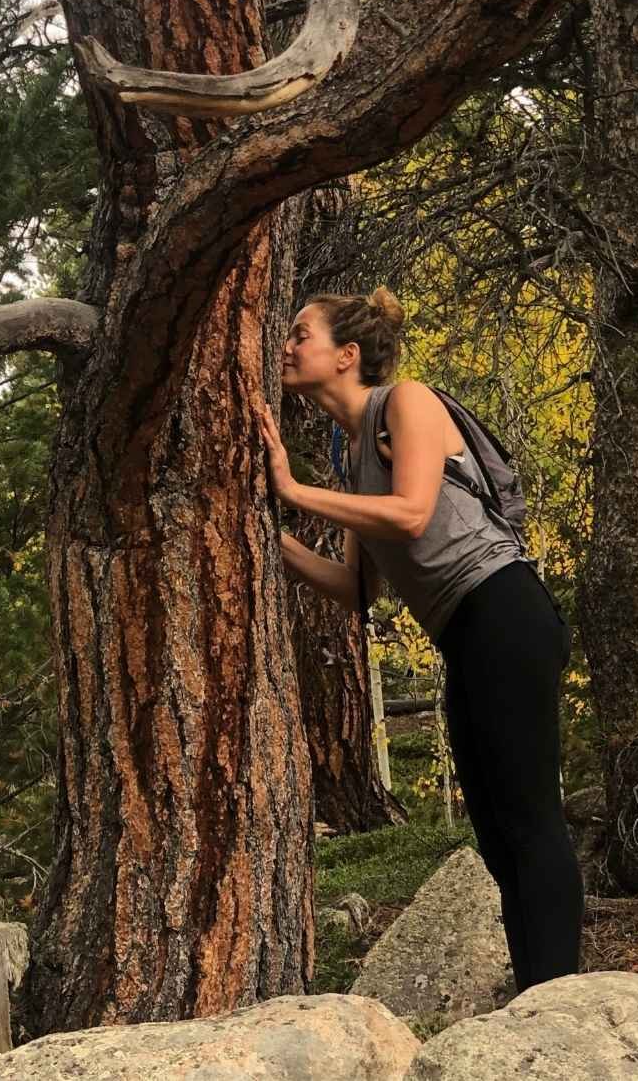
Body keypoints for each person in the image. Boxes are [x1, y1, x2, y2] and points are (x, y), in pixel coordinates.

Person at [257, 287, 583, 993]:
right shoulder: (350, 455)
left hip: (505, 609)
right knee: (496, 833)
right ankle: (536, 994)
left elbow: (410, 513)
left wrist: (288, 488)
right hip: (466, 635)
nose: (285, 346)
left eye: (299, 333)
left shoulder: (406, 403)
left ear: (347, 356)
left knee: (528, 816)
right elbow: (357, 589)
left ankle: (559, 997)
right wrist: (263, 536)